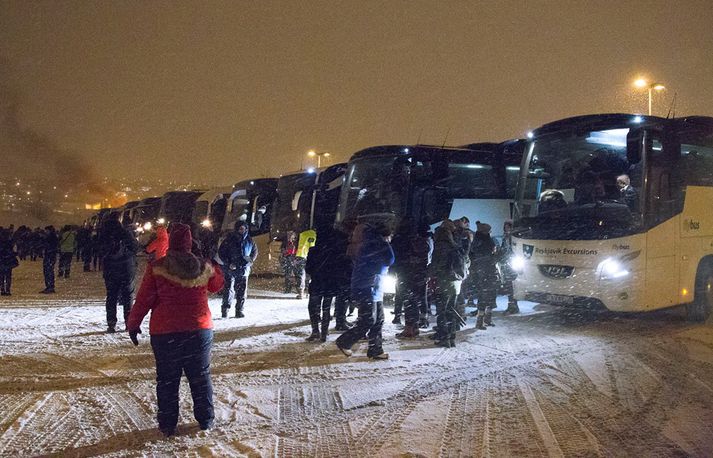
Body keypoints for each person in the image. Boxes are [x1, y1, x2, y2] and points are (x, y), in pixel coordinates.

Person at [127, 223, 224, 437]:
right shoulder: (202, 265)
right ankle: (205, 419)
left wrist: (133, 324)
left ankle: (168, 423)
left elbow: (144, 299)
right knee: (200, 376)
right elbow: (217, 284)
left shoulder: (157, 267)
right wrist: (207, 259)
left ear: (170, 241)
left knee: (167, 380)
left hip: (165, 331)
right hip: (199, 330)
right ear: (190, 243)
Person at [335, 222, 394, 359]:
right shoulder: (374, 244)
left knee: (378, 320)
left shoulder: (371, 243)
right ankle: (344, 341)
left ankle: (376, 349)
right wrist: (385, 243)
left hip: (374, 288)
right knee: (367, 321)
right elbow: (390, 259)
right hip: (366, 287)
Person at [429, 220, 470, 347]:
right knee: (451, 310)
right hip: (456, 282)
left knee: (442, 311)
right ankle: (451, 337)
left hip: (444, 281)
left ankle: (444, 338)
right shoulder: (456, 244)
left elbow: (437, 265)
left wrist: (428, 273)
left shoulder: (442, 245)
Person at [391, 218, 431, 338]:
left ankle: (409, 329)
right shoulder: (420, 240)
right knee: (415, 300)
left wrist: (394, 270)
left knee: (408, 301)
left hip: (405, 273)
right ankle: (415, 326)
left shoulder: (399, 240)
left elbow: (394, 258)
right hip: (419, 274)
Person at [304, 226, 343, 342]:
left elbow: (308, 268)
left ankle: (315, 330)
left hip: (317, 283)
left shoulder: (313, 251)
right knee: (326, 308)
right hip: (330, 284)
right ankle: (324, 333)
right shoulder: (335, 252)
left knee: (313, 307)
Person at [101, 219, 139, 333]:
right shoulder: (125, 233)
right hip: (126, 269)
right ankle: (128, 322)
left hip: (110, 270)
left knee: (111, 297)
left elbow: (99, 251)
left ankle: (111, 323)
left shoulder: (104, 235)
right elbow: (135, 247)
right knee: (128, 296)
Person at [218, 221, 257, 318]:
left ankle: (239, 310)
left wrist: (248, 262)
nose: (242, 230)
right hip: (230, 269)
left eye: (243, 229)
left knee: (242, 291)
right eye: (240, 229)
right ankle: (225, 310)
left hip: (244, 270)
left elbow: (254, 253)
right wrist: (228, 263)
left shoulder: (250, 241)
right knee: (228, 290)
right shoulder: (229, 240)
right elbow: (221, 253)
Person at [470, 221, 498, 330]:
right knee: (488, 295)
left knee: (483, 295)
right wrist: (496, 256)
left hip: (479, 272)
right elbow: (490, 257)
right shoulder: (486, 242)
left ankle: (482, 319)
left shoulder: (476, 241)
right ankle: (483, 320)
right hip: (487, 272)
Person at [499, 220, 519, 314]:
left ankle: (513, 306)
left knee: (512, 286)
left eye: (509, 227)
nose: (507, 229)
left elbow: (514, 251)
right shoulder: (505, 238)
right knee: (509, 286)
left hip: (512, 265)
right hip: (506, 265)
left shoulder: (514, 238)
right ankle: (511, 305)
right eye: (506, 227)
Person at [294, 228, 316, 299]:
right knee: (309, 274)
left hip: (301, 255)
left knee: (301, 274)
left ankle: (301, 293)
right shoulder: (316, 235)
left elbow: (296, 245)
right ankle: (308, 292)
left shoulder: (302, 234)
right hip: (311, 256)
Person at [40, 226, 59, 294]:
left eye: (46, 230)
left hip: (49, 256)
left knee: (48, 272)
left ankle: (49, 286)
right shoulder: (53, 237)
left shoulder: (50, 238)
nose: (46, 232)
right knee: (49, 271)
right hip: (51, 256)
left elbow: (49, 246)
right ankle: (50, 286)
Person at [0, 228, 19, 296]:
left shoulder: (1, 241)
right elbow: (15, 251)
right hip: (8, 260)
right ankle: (7, 290)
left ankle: (2, 290)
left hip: (2, 260)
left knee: (1, 276)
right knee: (8, 276)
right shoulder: (11, 241)